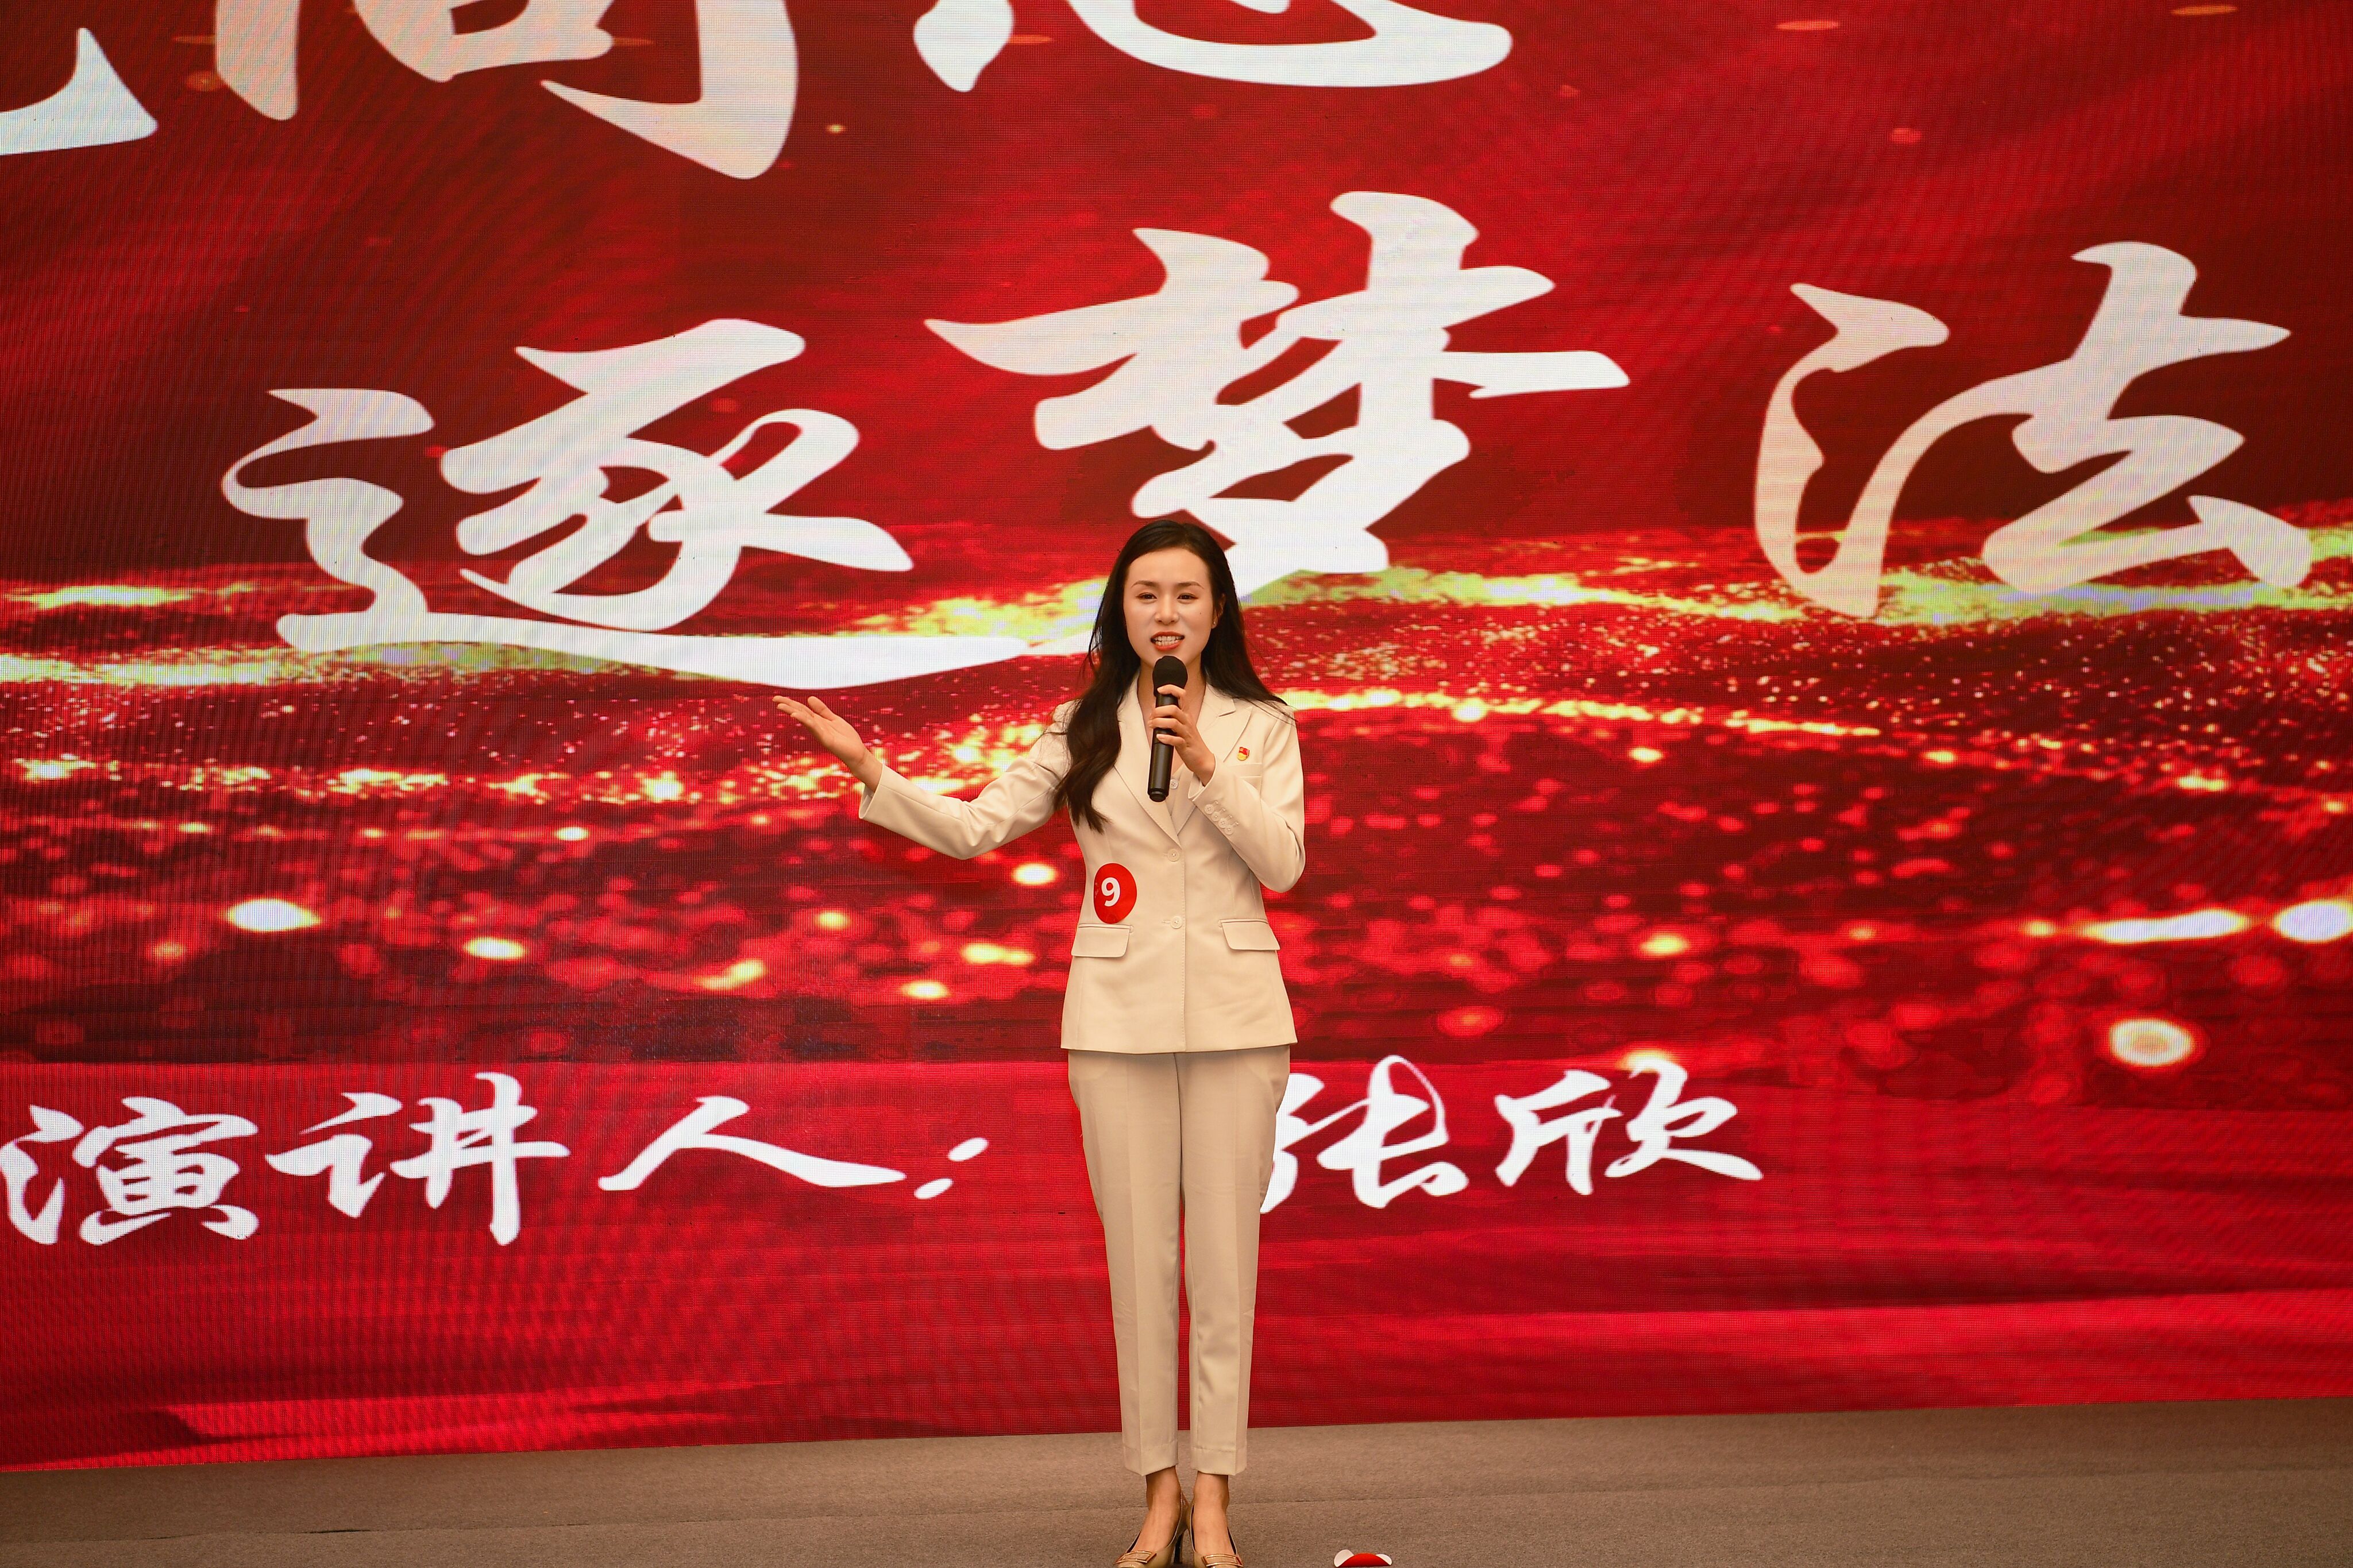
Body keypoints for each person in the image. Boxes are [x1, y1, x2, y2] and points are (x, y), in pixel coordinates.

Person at [777, 518, 1304, 1568]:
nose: (1167, 613)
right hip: (1115, 1019)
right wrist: (871, 770)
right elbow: (980, 826)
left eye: (1187, 595)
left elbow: (1282, 863)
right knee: (1141, 1264)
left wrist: (1205, 761)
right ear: (1121, 612)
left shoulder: (1264, 725)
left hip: (1238, 1018)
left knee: (1224, 1265)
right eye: (1147, 595)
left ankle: (1214, 1494)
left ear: (1218, 611)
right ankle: (1157, 1490)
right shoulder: (1082, 724)